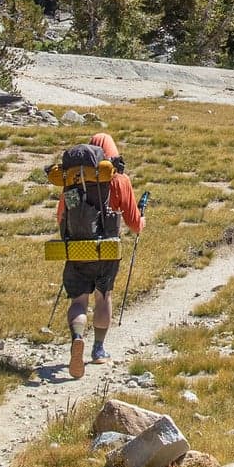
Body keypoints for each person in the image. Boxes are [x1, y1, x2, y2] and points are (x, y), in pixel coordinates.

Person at [56, 131, 142, 378]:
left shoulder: (72, 178)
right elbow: (134, 222)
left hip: (76, 249)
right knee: (103, 297)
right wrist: (142, 222)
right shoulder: (118, 180)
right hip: (106, 250)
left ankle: (77, 338)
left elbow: (61, 216)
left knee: (79, 301)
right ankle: (99, 350)